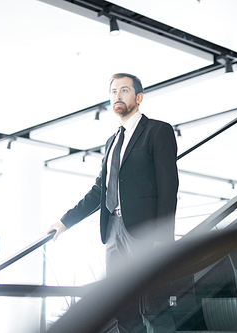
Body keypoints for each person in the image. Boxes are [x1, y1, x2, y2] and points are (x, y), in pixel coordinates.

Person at [47, 73, 179, 333]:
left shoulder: (157, 131)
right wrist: (64, 222)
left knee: (154, 302)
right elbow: (99, 191)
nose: (117, 95)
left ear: (139, 98)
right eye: (113, 91)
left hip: (144, 231)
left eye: (125, 90)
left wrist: (162, 237)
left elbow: (168, 188)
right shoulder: (111, 142)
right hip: (112, 230)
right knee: (122, 305)